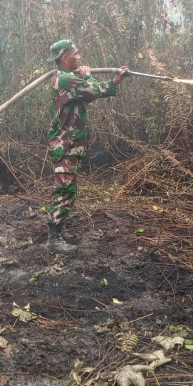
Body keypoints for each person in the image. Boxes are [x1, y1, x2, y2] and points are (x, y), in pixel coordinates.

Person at [46, 39, 128, 254]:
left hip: (69, 145)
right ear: (65, 58)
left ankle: (58, 232)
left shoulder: (68, 78)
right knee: (64, 190)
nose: (80, 57)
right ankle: (53, 239)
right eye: (76, 53)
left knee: (68, 189)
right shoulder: (65, 79)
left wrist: (85, 76)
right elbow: (95, 90)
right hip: (65, 145)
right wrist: (108, 79)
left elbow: (86, 97)